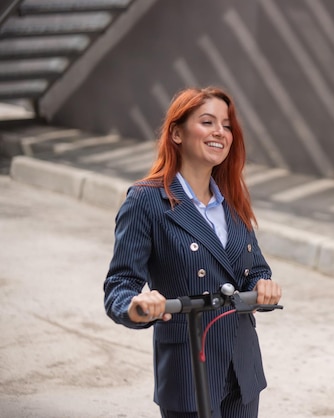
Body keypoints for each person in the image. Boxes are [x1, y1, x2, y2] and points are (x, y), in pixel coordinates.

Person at [103, 86, 282, 418]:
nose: (220, 132)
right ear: (176, 133)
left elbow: (253, 268)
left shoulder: (232, 200)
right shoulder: (146, 199)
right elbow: (119, 285)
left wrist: (264, 285)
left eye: (226, 125)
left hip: (243, 368)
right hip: (189, 369)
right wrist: (138, 305)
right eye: (207, 121)